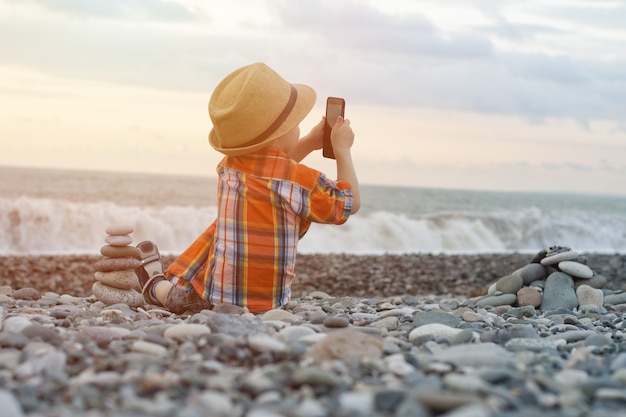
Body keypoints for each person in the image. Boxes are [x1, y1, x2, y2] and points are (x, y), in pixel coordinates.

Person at [135, 62, 360, 314]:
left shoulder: (229, 166)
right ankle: (153, 284)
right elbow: (347, 204)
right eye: (295, 125)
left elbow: (271, 173)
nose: (299, 130)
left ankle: (155, 285)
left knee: (176, 297)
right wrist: (342, 150)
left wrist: (307, 142)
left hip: (215, 298)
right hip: (270, 304)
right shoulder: (300, 181)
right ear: (278, 135)